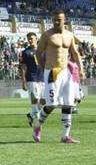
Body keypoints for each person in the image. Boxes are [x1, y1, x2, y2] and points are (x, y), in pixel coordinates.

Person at [33, 10, 85, 144]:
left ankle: (65, 136)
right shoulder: (47, 35)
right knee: (52, 104)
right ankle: (37, 124)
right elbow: (38, 53)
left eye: (59, 20)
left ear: (64, 20)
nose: (56, 22)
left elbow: (75, 53)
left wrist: (81, 69)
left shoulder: (69, 35)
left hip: (66, 72)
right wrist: (44, 67)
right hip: (52, 72)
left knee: (68, 103)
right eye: (54, 20)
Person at [19, 32, 44, 127]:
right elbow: (22, 67)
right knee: (35, 99)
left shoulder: (42, 50)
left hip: (42, 78)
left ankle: (31, 115)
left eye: (32, 38)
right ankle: (37, 121)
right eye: (28, 39)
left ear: (36, 39)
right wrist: (23, 81)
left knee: (44, 100)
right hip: (31, 78)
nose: (30, 40)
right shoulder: (25, 52)